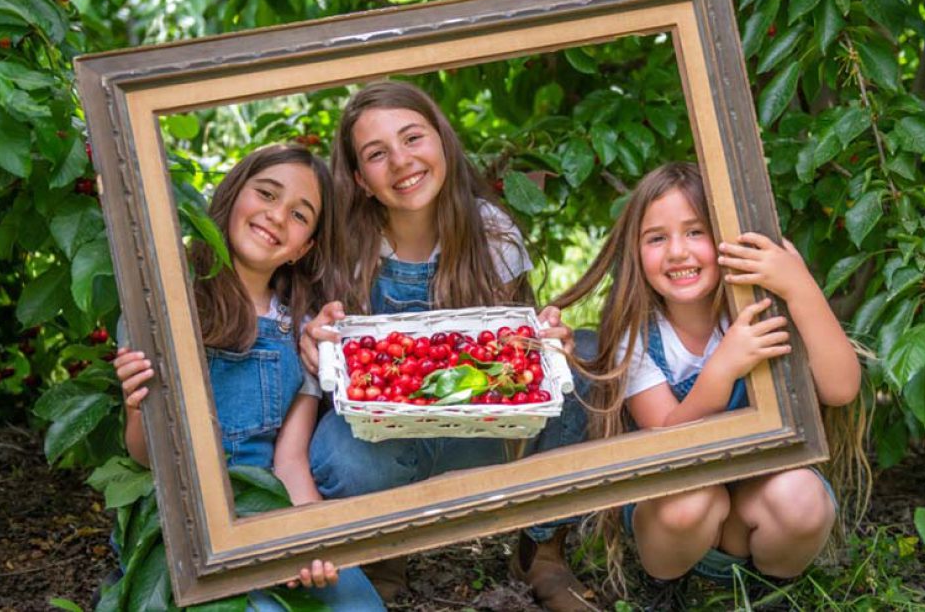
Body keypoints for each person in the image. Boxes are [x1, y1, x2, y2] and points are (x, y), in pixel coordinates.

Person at [299, 80, 593, 611]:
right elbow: (331, 361)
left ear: (442, 141)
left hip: (479, 434)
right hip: (386, 439)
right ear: (361, 180)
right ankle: (384, 548)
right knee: (342, 460)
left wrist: (545, 343)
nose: (401, 161)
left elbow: (514, 351)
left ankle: (542, 549)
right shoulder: (345, 247)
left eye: (413, 138)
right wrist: (312, 338)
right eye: (376, 154)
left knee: (585, 355)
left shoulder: (490, 231)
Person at [552, 162, 863, 603]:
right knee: (692, 501)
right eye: (656, 238)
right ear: (635, 252)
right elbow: (668, 438)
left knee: (801, 499)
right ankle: (668, 589)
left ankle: (766, 592)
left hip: (754, 499)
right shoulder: (636, 337)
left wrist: (799, 286)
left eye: (695, 231)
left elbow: (841, 388)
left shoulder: (761, 306)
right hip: (677, 510)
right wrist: (721, 370)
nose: (677, 252)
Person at [113, 144, 385, 611]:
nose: (277, 216)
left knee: (359, 605)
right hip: (179, 520)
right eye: (266, 194)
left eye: (299, 215)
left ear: (304, 248)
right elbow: (145, 457)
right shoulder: (164, 306)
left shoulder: (299, 330)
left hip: (263, 510)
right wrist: (137, 408)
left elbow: (290, 464)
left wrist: (313, 538)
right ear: (233, 194)